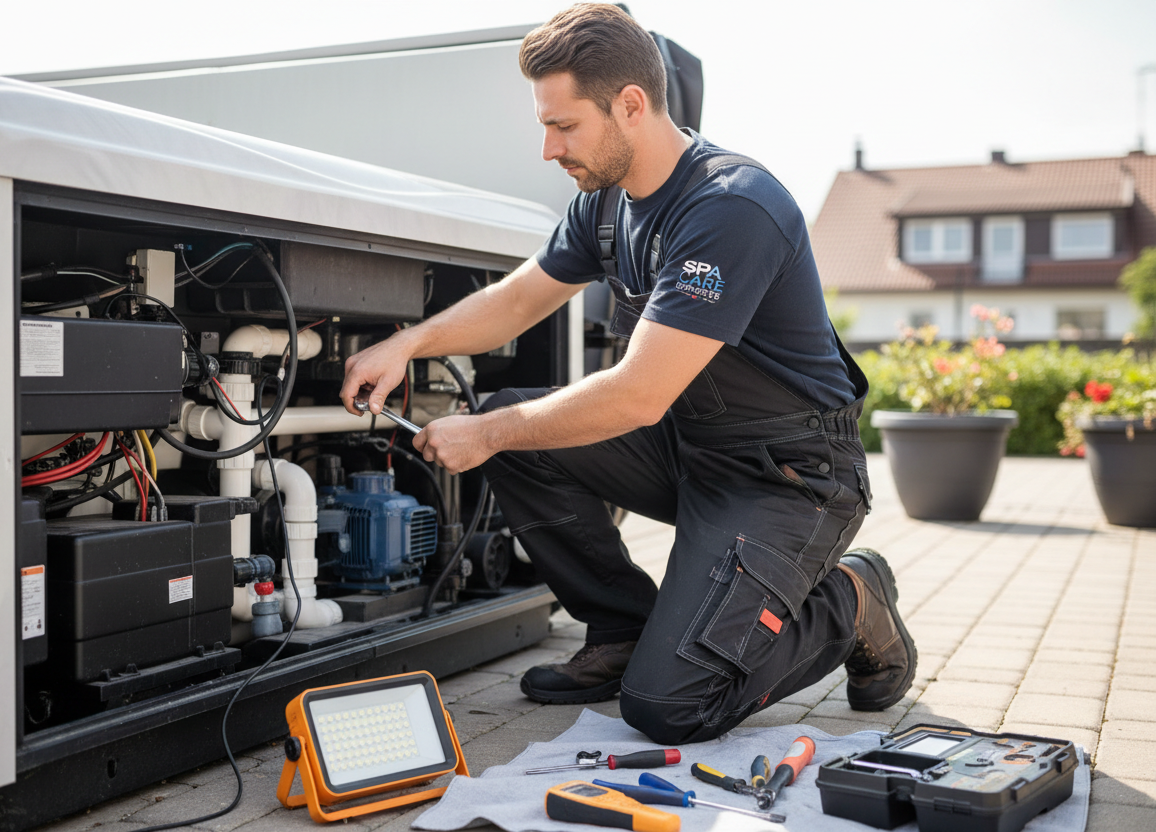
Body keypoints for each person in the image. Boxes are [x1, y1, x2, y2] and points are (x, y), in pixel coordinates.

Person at [340, 2, 916, 744]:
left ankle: (853, 595)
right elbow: (517, 300)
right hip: (691, 449)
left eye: (564, 125)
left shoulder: (730, 208)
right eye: (545, 125)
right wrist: (406, 344)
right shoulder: (605, 204)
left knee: (671, 708)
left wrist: (486, 432)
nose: (548, 148)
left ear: (631, 105)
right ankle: (622, 630)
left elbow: (638, 395)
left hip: (789, 477)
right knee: (518, 425)